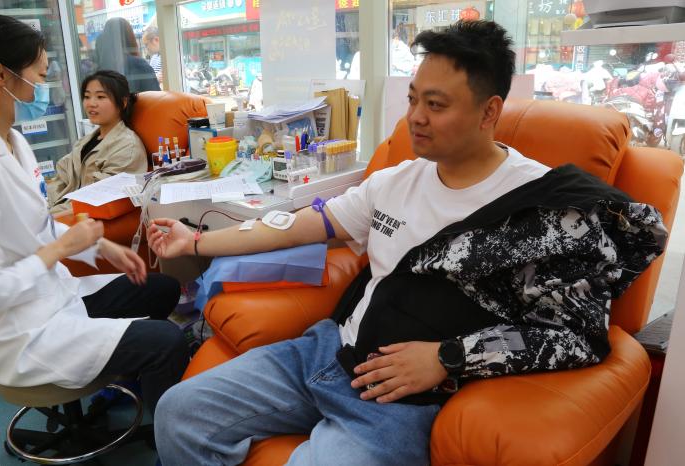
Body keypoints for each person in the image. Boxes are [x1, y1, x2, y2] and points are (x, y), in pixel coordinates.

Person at [147, 20, 667, 465]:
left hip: (398, 400)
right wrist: (196, 243)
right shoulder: (396, 180)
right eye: (414, 98)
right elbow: (304, 224)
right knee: (179, 411)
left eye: (435, 105)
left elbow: (577, 337)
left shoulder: (546, 211)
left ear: (489, 112)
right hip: (327, 353)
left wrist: (450, 357)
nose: (415, 116)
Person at [0, 15, 189, 416]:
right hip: (20, 331)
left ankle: (125, 373)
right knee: (169, 342)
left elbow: (39, 225)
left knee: (162, 289)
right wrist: (61, 249)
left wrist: (101, 247)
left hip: (52, 296)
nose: (44, 85)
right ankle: (167, 437)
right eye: (39, 74)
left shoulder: (13, 140)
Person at [47, 70, 147, 215]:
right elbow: (61, 177)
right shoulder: (85, 141)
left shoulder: (127, 147)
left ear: (123, 102)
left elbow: (98, 199)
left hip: (82, 218)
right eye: (87, 96)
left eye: (100, 97)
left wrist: (51, 218)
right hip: (60, 210)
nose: (91, 104)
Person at [95, 18, 160, 93]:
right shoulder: (139, 65)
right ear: (130, 36)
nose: (147, 47)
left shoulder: (99, 69)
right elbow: (155, 96)